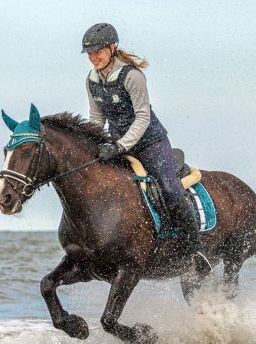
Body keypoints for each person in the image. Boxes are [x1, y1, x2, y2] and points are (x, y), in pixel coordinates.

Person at [82, 23, 212, 275]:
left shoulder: (132, 76)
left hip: (151, 143)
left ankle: (195, 250)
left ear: (111, 48)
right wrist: (96, 143)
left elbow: (142, 117)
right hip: (118, 144)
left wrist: (119, 145)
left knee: (170, 189)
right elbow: (96, 118)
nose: (93, 57)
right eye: (89, 53)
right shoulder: (91, 80)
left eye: (97, 51)